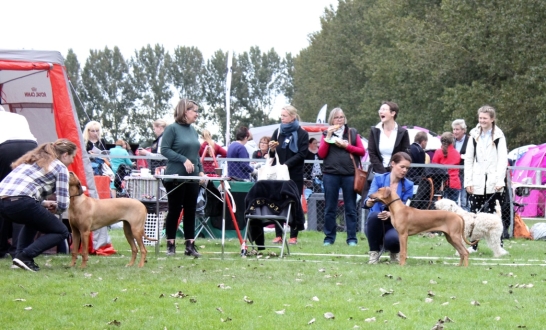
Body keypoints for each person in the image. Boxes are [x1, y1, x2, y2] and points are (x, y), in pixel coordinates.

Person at [0, 139, 76, 271]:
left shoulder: (32, 161)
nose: (73, 161)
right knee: (61, 231)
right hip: (21, 202)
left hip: (3, 202)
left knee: (34, 220)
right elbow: (63, 204)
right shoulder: (60, 167)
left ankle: (19, 259)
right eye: (72, 157)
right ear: (65, 155)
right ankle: (26, 256)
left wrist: (45, 203)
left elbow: (22, 190)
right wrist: (57, 208)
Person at [160, 99, 206, 257]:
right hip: (175, 177)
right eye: (194, 110)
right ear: (185, 111)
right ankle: (170, 244)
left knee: (191, 211)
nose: (197, 114)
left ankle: (190, 245)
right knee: (174, 209)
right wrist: (183, 159)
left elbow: (195, 155)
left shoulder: (193, 130)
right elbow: (164, 150)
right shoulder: (172, 129)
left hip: (192, 178)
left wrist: (200, 171)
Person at [318, 108, 366, 246]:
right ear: (331, 120)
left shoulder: (352, 133)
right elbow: (321, 154)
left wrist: (347, 146)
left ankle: (351, 238)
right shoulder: (326, 134)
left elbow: (362, 151)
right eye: (336, 117)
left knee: (350, 208)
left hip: (349, 174)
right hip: (330, 174)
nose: (339, 119)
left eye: (341, 117)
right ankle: (329, 238)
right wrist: (328, 137)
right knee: (329, 208)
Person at [464, 105, 508, 252]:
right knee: (474, 216)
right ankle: (473, 245)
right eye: (480, 118)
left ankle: (498, 246)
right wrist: (468, 181)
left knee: (495, 216)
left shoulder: (499, 137)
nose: (482, 121)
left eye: (485, 118)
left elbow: (503, 159)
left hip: (494, 181)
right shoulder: (473, 136)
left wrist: (500, 180)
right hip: (476, 181)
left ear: (492, 119)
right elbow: (469, 159)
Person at [0, 105, 38, 260]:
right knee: (21, 195)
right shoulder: (17, 117)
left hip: (4, 147)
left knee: (2, 196)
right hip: (30, 147)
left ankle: (1, 247)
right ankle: (19, 248)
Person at [268, 105, 309, 245]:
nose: (282, 118)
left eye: (284, 116)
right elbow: (272, 154)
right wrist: (272, 149)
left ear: (292, 117)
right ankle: (278, 234)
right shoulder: (277, 132)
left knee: (294, 203)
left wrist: (287, 165)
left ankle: (293, 235)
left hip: (294, 174)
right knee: (277, 203)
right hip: (278, 173)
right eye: (281, 116)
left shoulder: (302, 134)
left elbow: (302, 154)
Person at [363, 152, 414, 264]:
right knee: (374, 215)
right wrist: (369, 203)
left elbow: (406, 208)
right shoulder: (379, 179)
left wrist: (391, 214)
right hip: (375, 224)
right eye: (402, 167)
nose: (405, 170)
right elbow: (368, 198)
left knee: (394, 240)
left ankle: (394, 252)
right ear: (393, 164)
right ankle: (374, 253)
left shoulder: (408, 185)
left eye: (407, 168)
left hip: (394, 224)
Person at [367, 101, 410, 174]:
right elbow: (372, 153)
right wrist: (383, 173)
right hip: (377, 173)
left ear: (393, 113)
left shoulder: (403, 133)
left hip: (396, 174)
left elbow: (405, 155)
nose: (381, 112)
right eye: (380, 110)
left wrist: (393, 172)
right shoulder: (374, 131)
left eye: (384, 109)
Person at [431, 132, 461, 202]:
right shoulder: (457, 153)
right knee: (453, 208)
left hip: (441, 184)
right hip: (455, 183)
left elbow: (434, 167)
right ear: (452, 141)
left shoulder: (438, 152)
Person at [452, 119, 470, 210]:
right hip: (453, 173)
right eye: (454, 129)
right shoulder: (451, 141)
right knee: (453, 198)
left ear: (463, 130)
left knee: (464, 198)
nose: (455, 132)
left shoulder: (470, 141)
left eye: (457, 129)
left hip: (465, 172)